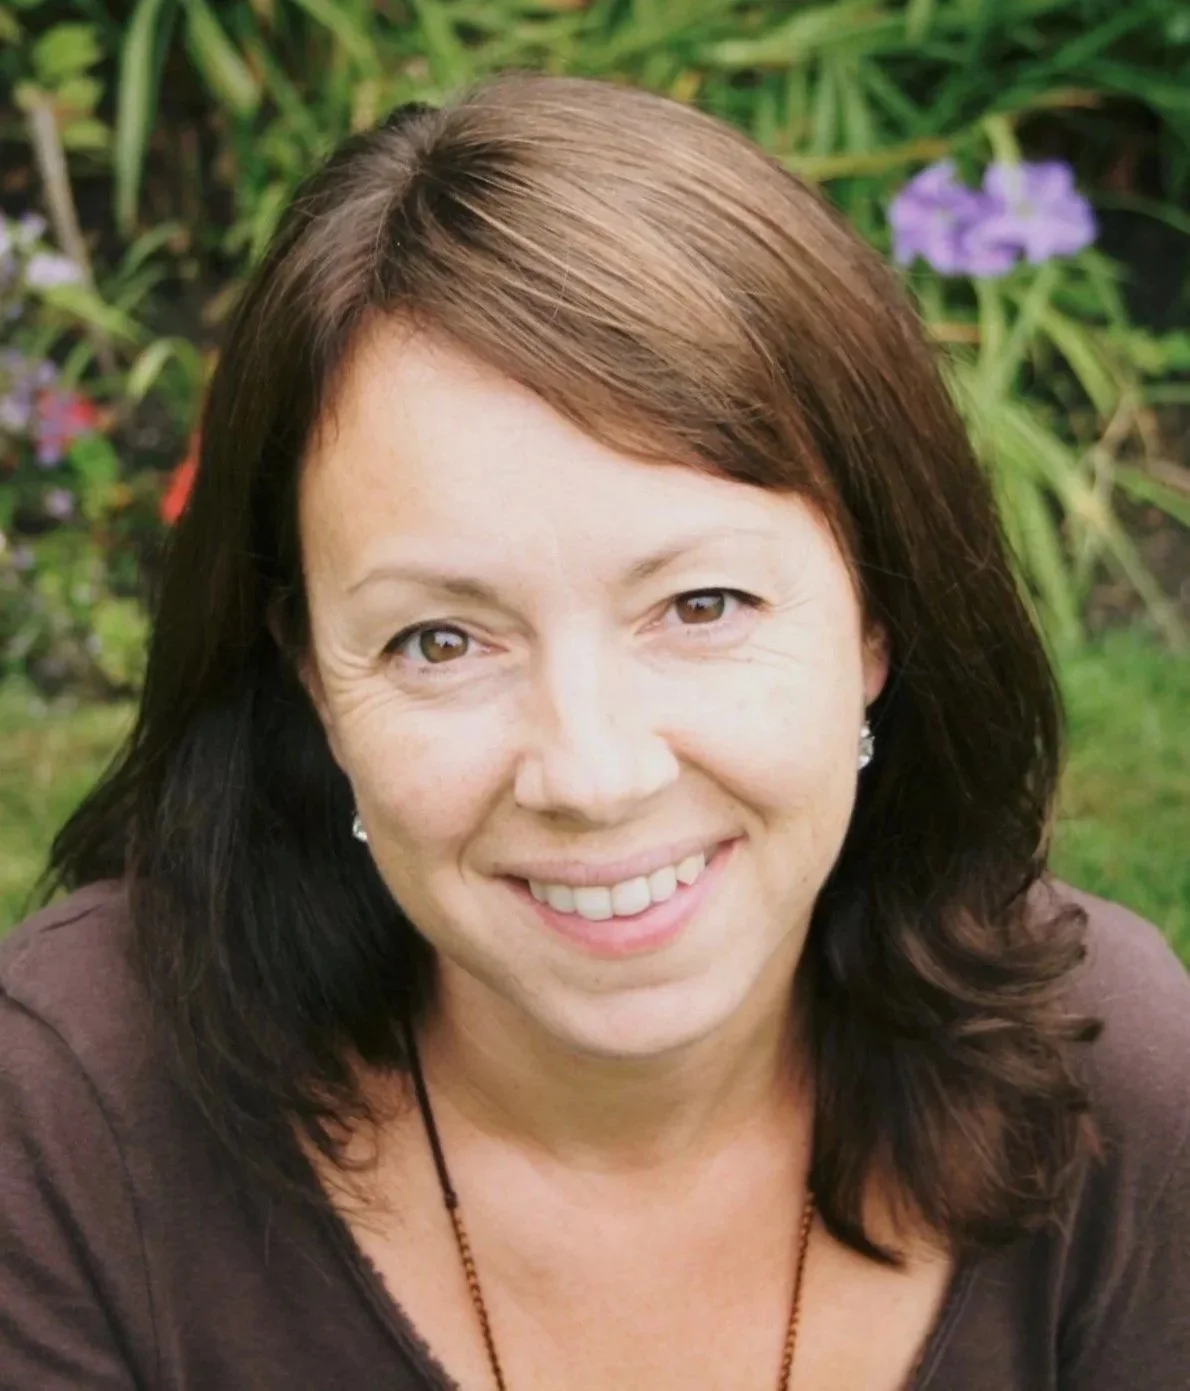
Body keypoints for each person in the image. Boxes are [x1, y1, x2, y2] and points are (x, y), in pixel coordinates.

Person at [1, 72, 1187, 1391]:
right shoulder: (64, 1118)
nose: (593, 772)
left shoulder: (1118, 1091)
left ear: (874, 622)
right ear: (315, 683)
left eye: (700, 603)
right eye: (440, 639)